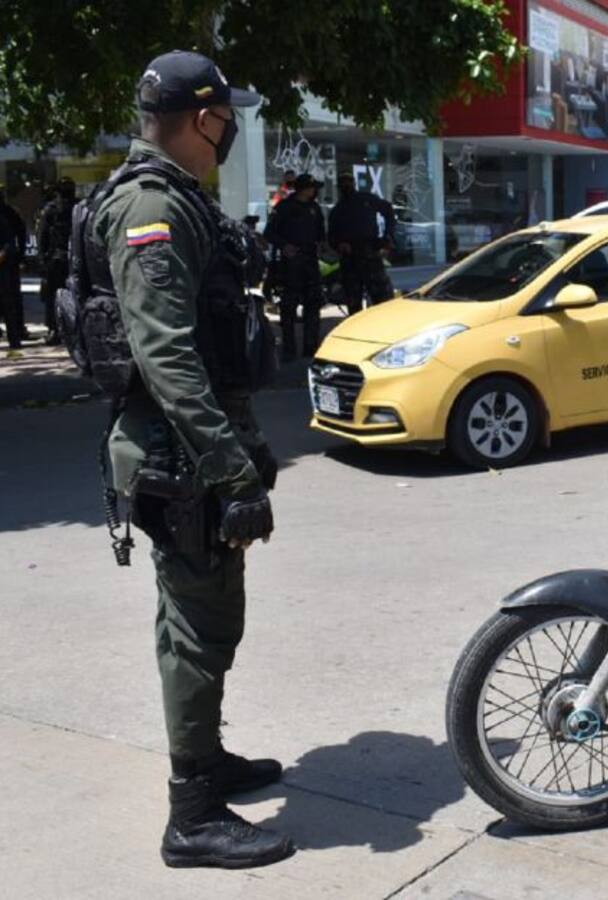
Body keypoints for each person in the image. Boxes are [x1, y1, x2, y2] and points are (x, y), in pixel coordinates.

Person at [87, 50, 292, 867]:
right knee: (201, 627)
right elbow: (168, 356)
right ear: (202, 120)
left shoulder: (172, 199)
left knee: (200, 621)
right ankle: (192, 815)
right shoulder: (151, 208)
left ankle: (204, 764)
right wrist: (232, 472)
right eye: (225, 117)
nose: (231, 130)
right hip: (181, 459)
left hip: (189, 450)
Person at [265, 172, 325, 360]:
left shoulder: (315, 208)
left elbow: (321, 234)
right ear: (304, 188)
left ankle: (310, 348)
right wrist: (284, 246)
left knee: (313, 305)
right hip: (291, 264)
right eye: (312, 187)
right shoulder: (284, 207)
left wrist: (323, 246)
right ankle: (289, 350)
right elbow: (269, 233)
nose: (315, 191)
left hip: (310, 261)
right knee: (289, 308)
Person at [329, 171, 395, 313]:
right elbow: (331, 236)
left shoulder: (366, 199)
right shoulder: (337, 210)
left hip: (370, 252)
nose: (346, 185)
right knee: (354, 302)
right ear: (339, 187)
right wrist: (339, 244)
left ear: (354, 183)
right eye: (343, 183)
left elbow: (388, 211)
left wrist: (387, 237)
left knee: (381, 300)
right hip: (350, 257)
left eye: (349, 182)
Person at [37, 177, 76, 344]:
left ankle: (55, 330)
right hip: (72, 258)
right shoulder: (79, 207)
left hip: (57, 259)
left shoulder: (51, 210)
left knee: (54, 295)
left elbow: (42, 237)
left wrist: (42, 259)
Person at [0, 184, 29, 346]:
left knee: (9, 301)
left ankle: (15, 335)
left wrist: (18, 256)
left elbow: (14, 239)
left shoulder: (8, 214)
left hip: (5, 265)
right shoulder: (9, 212)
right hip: (8, 263)